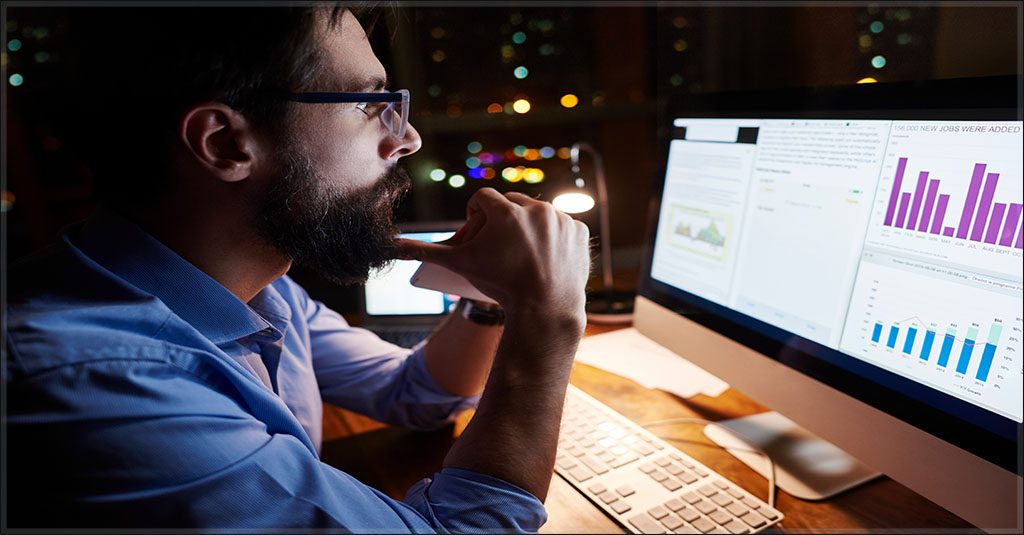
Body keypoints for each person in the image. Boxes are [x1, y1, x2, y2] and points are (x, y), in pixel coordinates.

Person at [5, 5, 591, 531]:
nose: (406, 137)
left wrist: (490, 299)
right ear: (225, 144)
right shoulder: (104, 388)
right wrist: (547, 320)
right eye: (370, 103)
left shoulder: (254, 287)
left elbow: (414, 393)